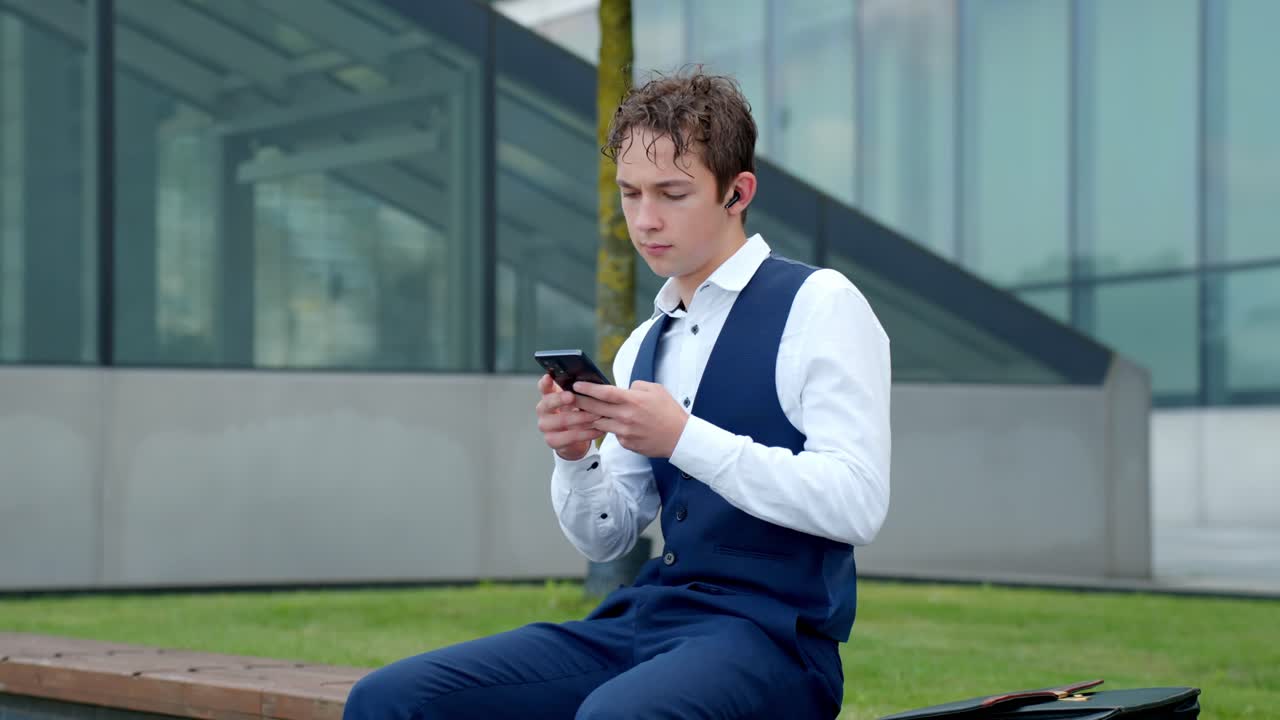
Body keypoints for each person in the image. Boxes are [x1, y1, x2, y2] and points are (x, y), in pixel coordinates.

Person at [343, 70, 891, 720]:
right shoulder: (643, 344)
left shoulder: (820, 305)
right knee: (392, 699)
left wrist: (684, 438)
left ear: (737, 192)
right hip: (648, 618)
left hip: (774, 645)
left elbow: (857, 504)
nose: (645, 219)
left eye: (672, 193)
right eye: (630, 193)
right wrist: (576, 456)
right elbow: (607, 539)